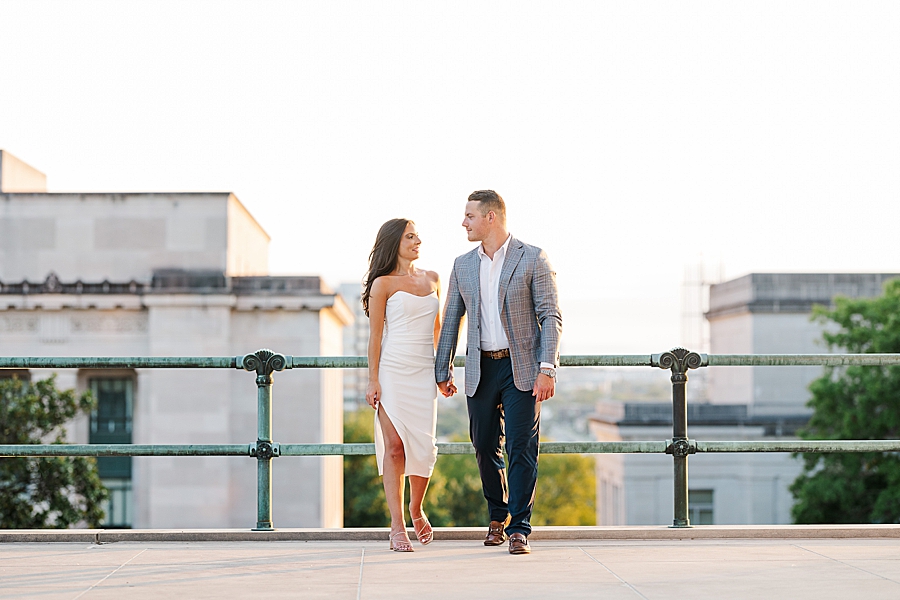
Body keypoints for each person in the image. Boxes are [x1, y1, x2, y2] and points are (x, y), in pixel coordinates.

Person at [435, 190, 562, 555]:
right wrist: (441, 368)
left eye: (470, 216)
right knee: (484, 445)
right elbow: (451, 321)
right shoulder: (462, 265)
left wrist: (547, 368)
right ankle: (497, 516)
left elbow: (550, 316)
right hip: (480, 368)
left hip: (521, 367)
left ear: (491, 217)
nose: (464, 223)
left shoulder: (533, 258)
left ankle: (519, 528)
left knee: (521, 447)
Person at [363, 218, 454, 552]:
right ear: (394, 242)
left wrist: (443, 372)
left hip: (422, 372)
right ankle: (397, 525)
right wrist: (372, 379)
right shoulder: (382, 284)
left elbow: (439, 331)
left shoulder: (432, 278)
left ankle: (417, 508)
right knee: (396, 448)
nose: (418, 240)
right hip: (392, 370)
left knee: (425, 447)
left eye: (418, 235)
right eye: (410, 236)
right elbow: (375, 336)